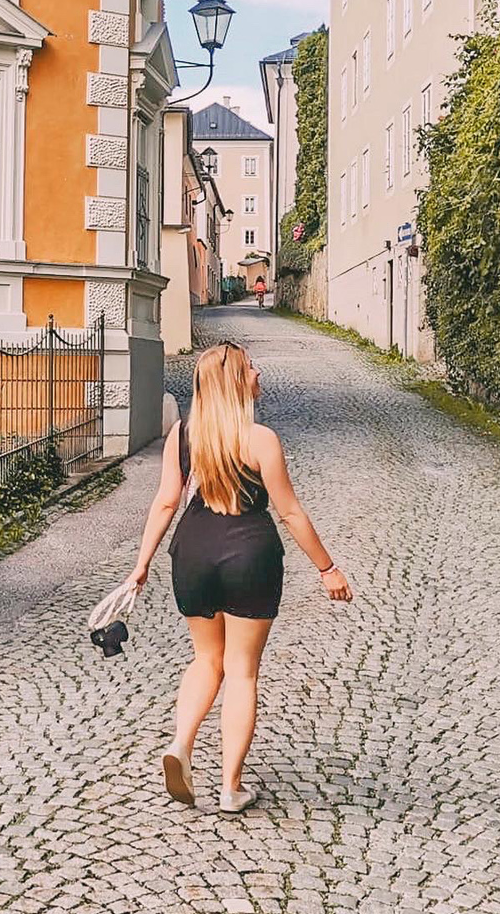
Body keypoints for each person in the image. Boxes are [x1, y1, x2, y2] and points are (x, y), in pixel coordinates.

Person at [128, 341, 352, 812]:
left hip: (193, 551)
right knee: (242, 671)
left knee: (206, 660)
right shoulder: (260, 439)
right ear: (235, 382)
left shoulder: (183, 436)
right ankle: (231, 786)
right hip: (249, 552)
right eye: (250, 367)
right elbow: (290, 512)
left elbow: (167, 501)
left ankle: (182, 744)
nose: (257, 372)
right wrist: (327, 568)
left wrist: (142, 563)